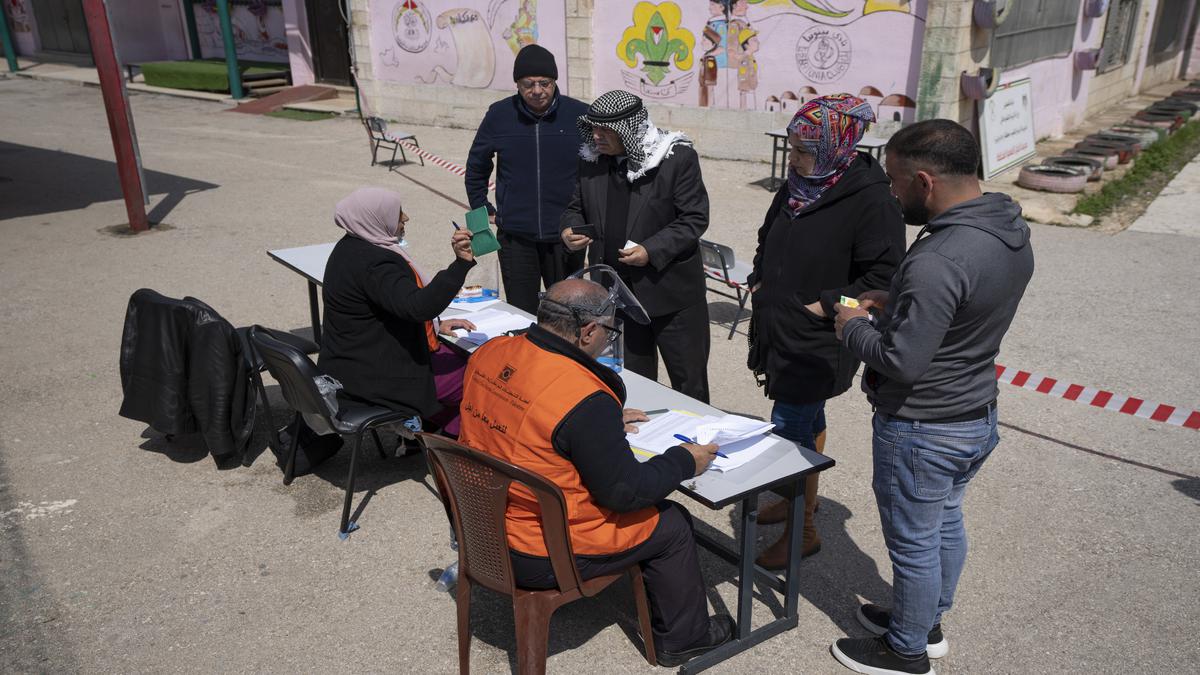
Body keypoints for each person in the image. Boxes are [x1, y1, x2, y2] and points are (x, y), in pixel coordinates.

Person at [830, 119, 1034, 675]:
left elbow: (901, 360)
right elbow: (960, 310)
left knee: (914, 543)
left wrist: (850, 324)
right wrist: (896, 298)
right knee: (945, 522)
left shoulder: (939, 257)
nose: (892, 195)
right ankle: (927, 619)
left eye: (896, 183)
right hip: (974, 414)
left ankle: (906, 651)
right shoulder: (1005, 227)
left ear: (925, 181)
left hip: (923, 428)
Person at [456, 278, 734, 667]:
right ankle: (685, 640)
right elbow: (626, 493)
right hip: (537, 550)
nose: (608, 340)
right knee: (672, 522)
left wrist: (599, 426)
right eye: (609, 331)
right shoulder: (580, 396)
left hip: (481, 529)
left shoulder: (492, 351)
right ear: (588, 331)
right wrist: (685, 460)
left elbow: (520, 414)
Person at [746, 93, 905, 570]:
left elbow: (884, 280)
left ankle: (803, 530)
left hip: (818, 339)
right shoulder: (799, 184)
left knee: (789, 430)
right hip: (780, 327)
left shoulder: (873, 201)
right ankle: (802, 501)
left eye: (802, 150)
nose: (792, 158)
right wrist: (759, 274)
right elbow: (767, 234)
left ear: (837, 146)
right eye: (792, 147)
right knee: (804, 420)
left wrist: (829, 304)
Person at [560, 90, 712, 402]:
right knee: (635, 384)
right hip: (619, 297)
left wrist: (651, 250)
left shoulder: (675, 158)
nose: (596, 136)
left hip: (672, 298)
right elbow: (576, 206)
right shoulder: (591, 158)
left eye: (605, 130)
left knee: (690, 387)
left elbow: (693, 219)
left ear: (628, 129)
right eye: (592, 128)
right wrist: (569, 228)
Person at [318, 187, 477, 440]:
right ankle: (452, 445)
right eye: (397, 213)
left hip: (351, 365)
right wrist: (460, 265)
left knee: (456, 357)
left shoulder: (349, 248)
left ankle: (437, 434)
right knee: (480, 377)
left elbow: (389, 306)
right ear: (375, 218)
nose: (405, 218)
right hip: (376, 378)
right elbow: (417, 307)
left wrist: (434, 325)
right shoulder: (376, 262)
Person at [464, 44, 589, 314]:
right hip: (516, 239)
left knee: (567, 313)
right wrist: (481, 205)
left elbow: (599, 169)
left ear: (555, 81)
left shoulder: (580, 115)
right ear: (517, 84)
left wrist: (587, 218)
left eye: (544, 83)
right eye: (527, 84)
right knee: (522, 314)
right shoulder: (498, 115)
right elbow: (476, 165)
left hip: (565, 238)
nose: (536, 90)